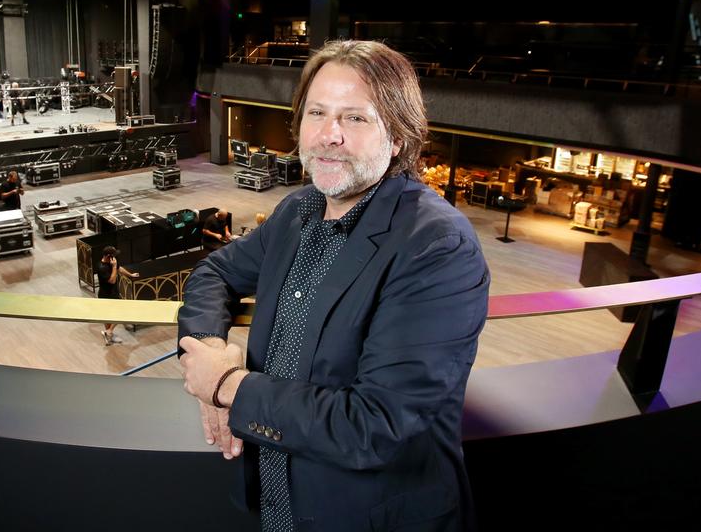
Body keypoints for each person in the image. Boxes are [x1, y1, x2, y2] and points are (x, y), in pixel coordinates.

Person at [177, 40, 490, 531]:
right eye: (317, 113)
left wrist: (225, 386)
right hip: (280, 507)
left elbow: (374, 426)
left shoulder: (436, 245)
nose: (329, 135)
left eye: (356, 118)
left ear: (400, 138)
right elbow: (214, 273)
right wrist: (212, 347)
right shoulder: (297, 212)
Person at [97, 246, 122, 345]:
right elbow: (112, 280)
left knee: (116, 313)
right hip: (106, 295)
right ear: (108, 256)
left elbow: (120, 268)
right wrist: (114, 266)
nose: (115, 258)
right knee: (116, 314)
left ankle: (108, 333)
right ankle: (109, 332)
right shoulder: (102, 267)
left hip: (114, 293)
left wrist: (131, 275)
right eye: (113, 256)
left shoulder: (111, 262)